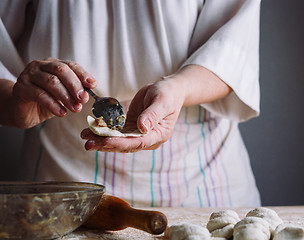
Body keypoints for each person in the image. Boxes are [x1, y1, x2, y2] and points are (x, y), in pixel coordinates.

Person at [0, 0, 261, 207]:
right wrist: (14, 102)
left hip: (201, 188)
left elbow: (234, 50)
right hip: (63, 190)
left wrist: (177, 89)